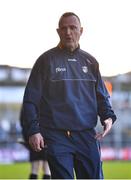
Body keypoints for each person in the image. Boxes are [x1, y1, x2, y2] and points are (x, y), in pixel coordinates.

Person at [21, 12, 117, 179]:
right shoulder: (45, 60)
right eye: (64, 28)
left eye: (73, 28)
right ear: (58, 32)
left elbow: (102, 97)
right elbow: (30, 100)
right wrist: (33, 130)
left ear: (81, 30)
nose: (68, 32)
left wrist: (108, 117)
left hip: (87, 136)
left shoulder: (91, 62)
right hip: (56, 137)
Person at [20, 107, 51, 179]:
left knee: (36, 168)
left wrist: (27, 137)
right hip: (44, 139)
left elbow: (23, 122)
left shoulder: (29, 105)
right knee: (46, 169)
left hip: (35, 138)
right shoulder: (48, 101)